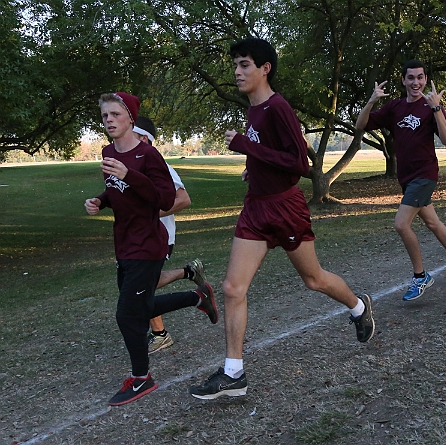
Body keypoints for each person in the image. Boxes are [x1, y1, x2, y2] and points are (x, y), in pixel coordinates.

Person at [190, 38, 375, 400]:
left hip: (286, 208)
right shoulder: (254, 109)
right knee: (231, 288)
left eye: (244, 65)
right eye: (235, 66)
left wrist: (246, 146)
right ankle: (234, 373)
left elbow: (299, 165)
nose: (237, 72)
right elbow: (269, 154)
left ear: (264, 69)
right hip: (256, 208)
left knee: (314, 279)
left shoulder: (278, 108)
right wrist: (252, 165)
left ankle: (358, 306)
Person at [84, 92, 218, 406]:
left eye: (116, 115)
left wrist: (130, 175)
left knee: (127, 315)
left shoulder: (149, 156)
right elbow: (116, 190)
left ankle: (141, 379)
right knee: (140, 310)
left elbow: (166, 199)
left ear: (130, 118)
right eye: (105, 116)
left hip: (149, 243)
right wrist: (100, 201)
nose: (110, 121)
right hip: (124, 243)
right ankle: (196, 296)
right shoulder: (107, 151)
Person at [355, 59, 446, 301]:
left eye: (420, 77)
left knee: (401, 224)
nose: (416, 82)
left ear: (425, 80)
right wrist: (372, 101)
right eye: (411, 77)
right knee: (433, 223)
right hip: (406, 178)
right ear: (403, 80)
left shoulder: (430, 107)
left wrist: (437, 108)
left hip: (425, 174)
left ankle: (421, 276)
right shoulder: (394, 107)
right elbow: (360, 125)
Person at [132, 116, 208, 354]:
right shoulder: (134, 166)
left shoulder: (160, 167)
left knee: (140, 287)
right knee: (140, 285)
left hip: (158, 237)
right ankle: (190, 274)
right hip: (137, 238)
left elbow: (184, 199)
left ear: (144, 138)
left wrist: (150, 215)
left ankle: (161, 333)